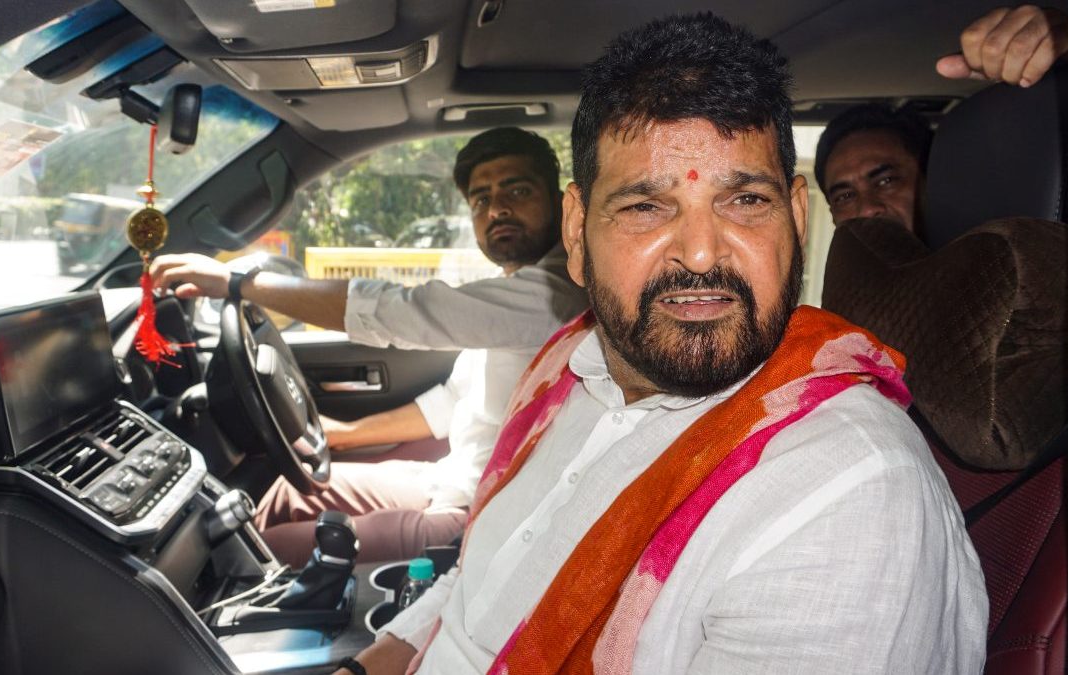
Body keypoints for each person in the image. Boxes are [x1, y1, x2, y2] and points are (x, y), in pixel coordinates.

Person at [338, 13, 986, 675]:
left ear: (794, 217)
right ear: (577, 230)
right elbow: (485, 583)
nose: (702, 253)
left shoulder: (847, 492)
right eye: (646, 206)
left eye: (745, 200)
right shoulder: (569, 368)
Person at [150, 127, 587, 565]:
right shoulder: (509, 290)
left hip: (485, 514)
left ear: (562, 203)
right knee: (283, 495)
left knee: (255, 553)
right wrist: (343, 435)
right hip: (450, 478)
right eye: (480, 200)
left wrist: (240, 284)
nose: (497, 209)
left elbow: (402, 312)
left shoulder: (555, 296)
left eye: (518, 189)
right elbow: (453, 402)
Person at [815, 5, 1068, 233]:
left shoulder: (1003, 266)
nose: (868, 209)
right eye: (845, 196)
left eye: (886, 181)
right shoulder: (854, 289)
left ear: (937, 181)